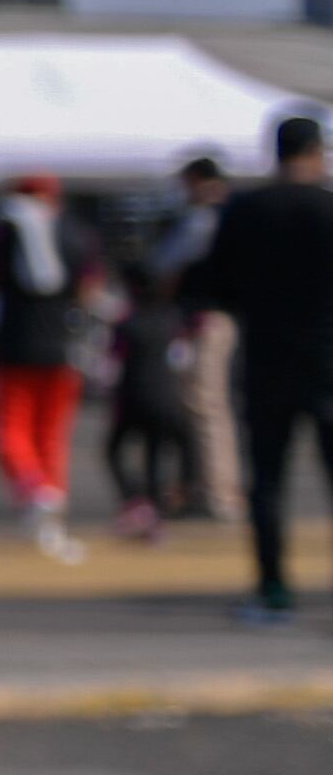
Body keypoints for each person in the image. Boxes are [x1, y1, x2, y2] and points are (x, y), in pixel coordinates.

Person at [182, 114, 333, 624]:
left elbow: (216, 285)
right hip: (328, 357)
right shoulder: (328, 208)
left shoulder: (246, 211)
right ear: (316, 152)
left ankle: (273, 588)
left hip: (267, 358)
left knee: (268, 479)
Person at [0, 174, 105, 561]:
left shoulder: (4, 230)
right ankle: (52, 514)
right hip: (63, 347)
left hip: (12, 346)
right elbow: (90, 290)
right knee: (51, 435)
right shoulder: (76, 233)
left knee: (7, 430)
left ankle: (34, 491)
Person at [152, 155, 240, 522]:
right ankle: (207, 486)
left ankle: (218, 492)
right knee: (204, 405)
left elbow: (167, 267)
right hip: (220, 318)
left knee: (205, 406)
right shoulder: (233, 213)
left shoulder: (203, 218)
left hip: (203, 320)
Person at [102, 257, 200, 543]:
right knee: (155, 457)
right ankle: (156, 514)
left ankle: (136, 503)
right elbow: (181, 358)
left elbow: (110, 364)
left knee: (113, 450)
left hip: (132, 397)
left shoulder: (125, 322)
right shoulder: (171, 319)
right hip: (166, 397)